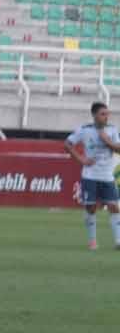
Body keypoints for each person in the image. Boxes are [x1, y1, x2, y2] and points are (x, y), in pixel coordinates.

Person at [64, 101, 120, 251]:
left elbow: (119, 149)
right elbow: (67, 144)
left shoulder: (112, 130)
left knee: (114, 207)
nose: (106, 117)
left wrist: (106, 140)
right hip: (90, 176)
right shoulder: (85, 130)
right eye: (103, 114)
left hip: (107, 176)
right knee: (90, 207)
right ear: (94, 115)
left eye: (107, 114)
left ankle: (118, 240)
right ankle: (92, 241)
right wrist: (81, 159)